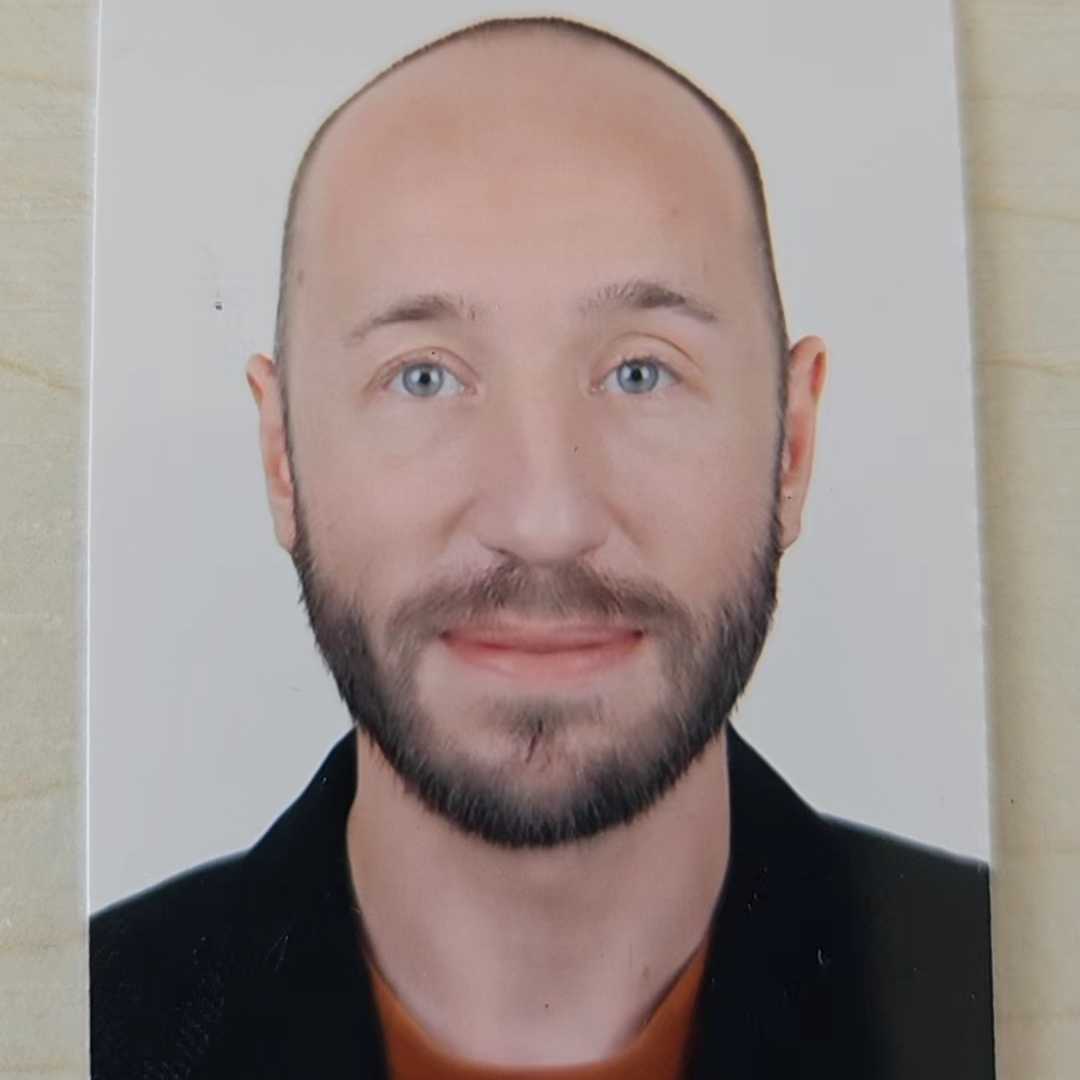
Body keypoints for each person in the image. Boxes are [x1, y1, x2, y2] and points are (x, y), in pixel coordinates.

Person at [90, 16, 995, 1079]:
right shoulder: (78, 1023)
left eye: (641, 372)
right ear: (281, 457)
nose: (543, 518)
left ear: (792, 445)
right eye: (424, 376)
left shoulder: (1017, 993)